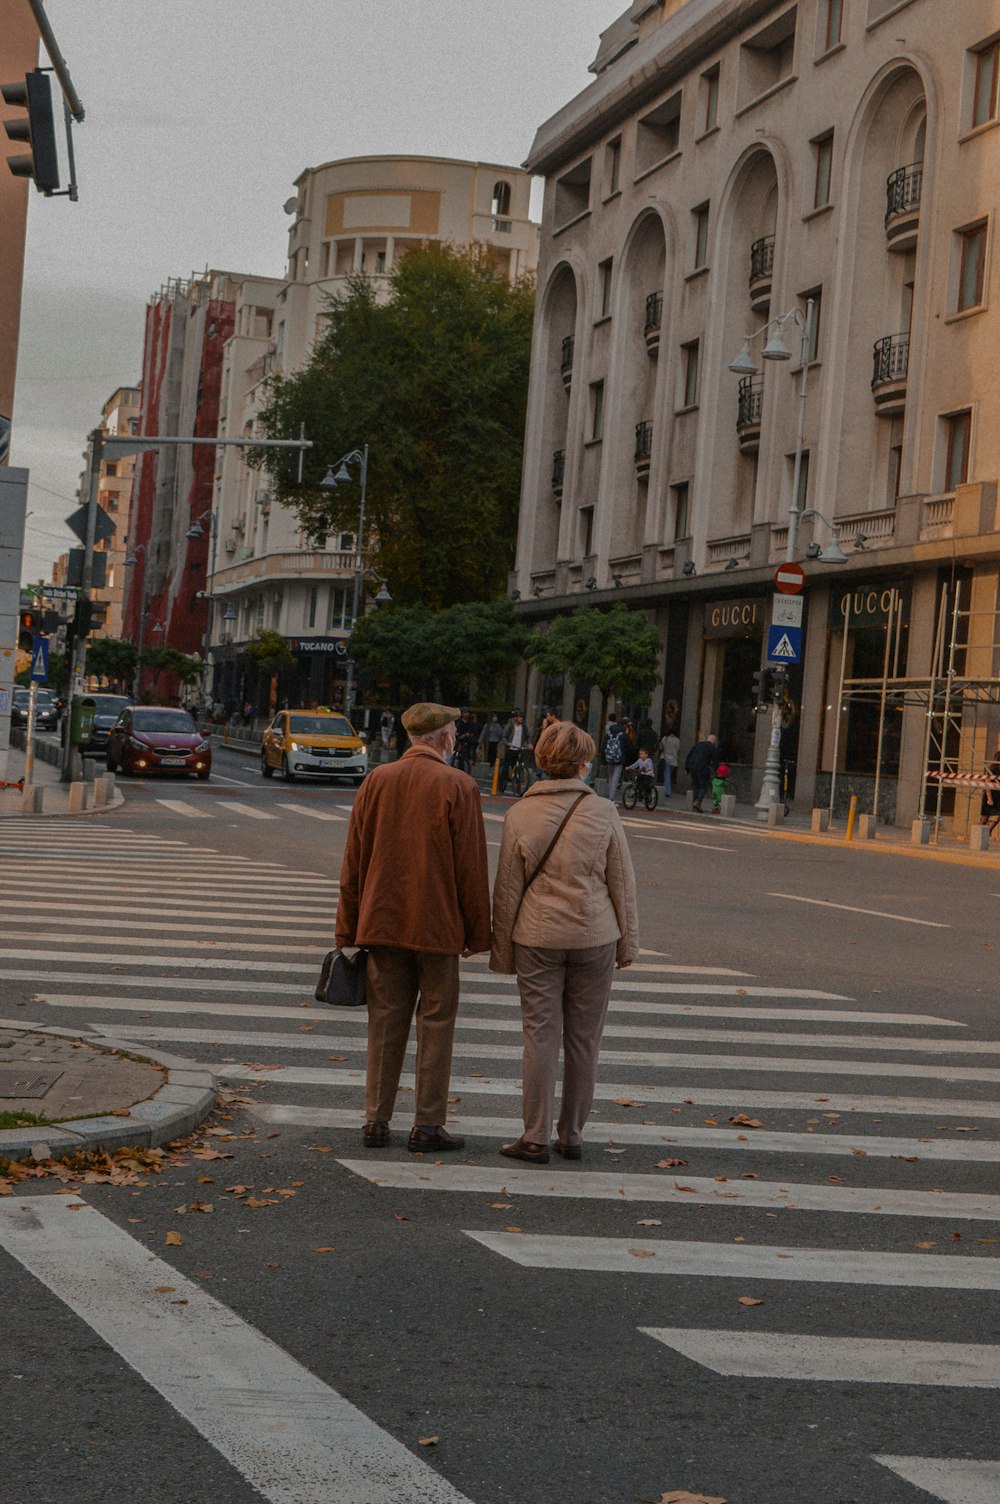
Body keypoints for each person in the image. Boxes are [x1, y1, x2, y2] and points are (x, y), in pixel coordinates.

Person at [335, 702, 491, 1153]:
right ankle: (426, 1125)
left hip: (381, 924)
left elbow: (354, 861)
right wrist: (478, 933)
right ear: (443, 737)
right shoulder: (458, 785)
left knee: (384, 1022)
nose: (456, 738)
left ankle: (376, 1120)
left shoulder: (377, 781)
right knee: (437, 1022)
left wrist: (347, 928)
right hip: (438, 928)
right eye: (454, 732)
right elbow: (471, 869)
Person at [490, 719, 639, 1163]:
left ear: (542, 761)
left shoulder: (520, 814)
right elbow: (621, 884)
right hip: (595, 937)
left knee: (540, 1035)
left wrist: (502, 953)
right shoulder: (604, 812)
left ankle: (534, 1135)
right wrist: (627, 946)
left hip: (537, 937)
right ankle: (571, 1134)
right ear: (583, 764)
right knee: (584, 1039)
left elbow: (508, 889)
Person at [684, 731, 719, 812]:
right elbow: (715, 761)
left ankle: (695, 804)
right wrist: (717, 770)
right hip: (703, 768)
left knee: (695, 785)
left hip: (693, 767)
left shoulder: (698, 744)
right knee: (704, 786)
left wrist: (687, 768)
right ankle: (698, 801)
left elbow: (689, 755)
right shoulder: (712, 748)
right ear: (714, 742)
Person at [500, 709, 532, 794]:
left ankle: (518, 788)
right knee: (506, 768)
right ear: (515, 718)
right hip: (510, 749)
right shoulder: (510, 725)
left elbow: (527, 736)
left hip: (519, 749)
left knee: (519, 768)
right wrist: (508, 743)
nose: (521, 719)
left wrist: (529, 743)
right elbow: (504, 737)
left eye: (522, 717)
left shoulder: (523, 726)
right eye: (519, 717)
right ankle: (502, 785)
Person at [602, 716, 626, 803]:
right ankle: (611, 798)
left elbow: (604, 746)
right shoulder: (623, 735)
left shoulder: (608, 734)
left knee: (610, 777)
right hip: (619, 759)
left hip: (609, 758)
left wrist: (603, 761)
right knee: (616, 778)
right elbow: (626, 748)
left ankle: (610, 795)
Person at [981, 749, 1000, 833]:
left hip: (998, 798)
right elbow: (987, 784)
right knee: (984, 819)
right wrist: (989, 798)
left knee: (996, 818)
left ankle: (985, 835)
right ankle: (976, 835)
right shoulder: (993, 770)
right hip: (991, 797)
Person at [659, 728, 680, 797]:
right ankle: (667, 790)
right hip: (674, 760)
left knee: (666, 776)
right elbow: (678, 749)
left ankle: (667, 791)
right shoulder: (677, 740)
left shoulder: (665, 738)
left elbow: (661, 747)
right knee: (668, 775)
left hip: (666, 759)